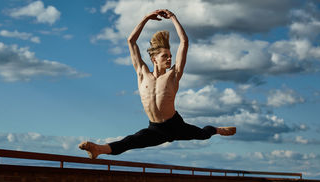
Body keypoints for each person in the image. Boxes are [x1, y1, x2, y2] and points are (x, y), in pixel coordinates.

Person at [79, 9, 236, 159]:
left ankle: (217, 129)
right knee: (131, 141)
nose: (169, 59)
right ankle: (98, 149)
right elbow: (131, 41)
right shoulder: (142, 74)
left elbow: (184, 42)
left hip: (175, 125)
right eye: (165, 56)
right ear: (154, 59)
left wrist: (173, 17)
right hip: (156, 128)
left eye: (170, 56)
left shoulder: (173, 75)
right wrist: (146, 18)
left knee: (202, 134)